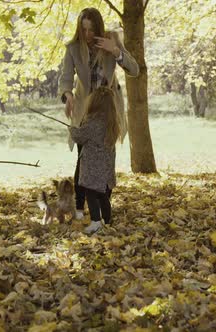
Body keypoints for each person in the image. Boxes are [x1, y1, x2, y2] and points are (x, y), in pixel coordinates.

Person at [58, 7, 139, 220]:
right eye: (84, 30)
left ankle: (104, 209)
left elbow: (134, 70)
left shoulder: (111, 41)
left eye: (92, 30)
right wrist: (68, 96)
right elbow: (65, 79)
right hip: (85, 111)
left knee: (105, 161)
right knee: (83, 160)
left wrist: (116, 52)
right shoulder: (73, 48)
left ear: (99, 28)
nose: (87, 35)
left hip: (109, 113)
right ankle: (78, 208)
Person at [69, 87, 120, 234]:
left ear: (94, 103)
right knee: (104, 196)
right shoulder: (111, 122)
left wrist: (72, 130)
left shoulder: (93, 122)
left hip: (93, 170)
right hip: (105, 169)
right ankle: (107, 221)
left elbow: (79, 137)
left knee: (91, 195)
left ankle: (96, 221)